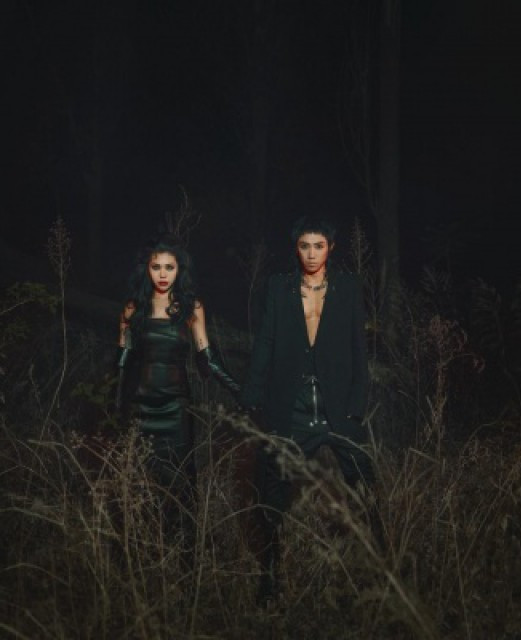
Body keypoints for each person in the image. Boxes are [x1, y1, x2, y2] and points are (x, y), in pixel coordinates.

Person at [240, 216, 374, 605]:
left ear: (330, 248)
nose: (312, 254)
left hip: (337, 405)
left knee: (365, 484)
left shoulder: (348, 288)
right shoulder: (279, 287)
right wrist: (252, 393)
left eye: (319, 246)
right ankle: (269, 579)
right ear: (296, 249)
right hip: (292, 404)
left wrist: (357, 404)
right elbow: (266, 342)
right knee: (272, 488)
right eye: (304, 246)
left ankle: (377, 573)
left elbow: (359, 348)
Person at [115, 233, 239, 562]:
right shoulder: (133, 308)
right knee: (136, 481)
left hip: (175, 410)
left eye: (169, 267)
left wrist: (242, 392)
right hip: (139, 409)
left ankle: (184, 561)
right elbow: (121, 362)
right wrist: (115, 407)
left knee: (181, 485)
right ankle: (133, 558)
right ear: (146, 269)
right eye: (156, 267)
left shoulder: (191, 308)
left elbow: (207, 360)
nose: (163, 274)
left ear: (179, 270)